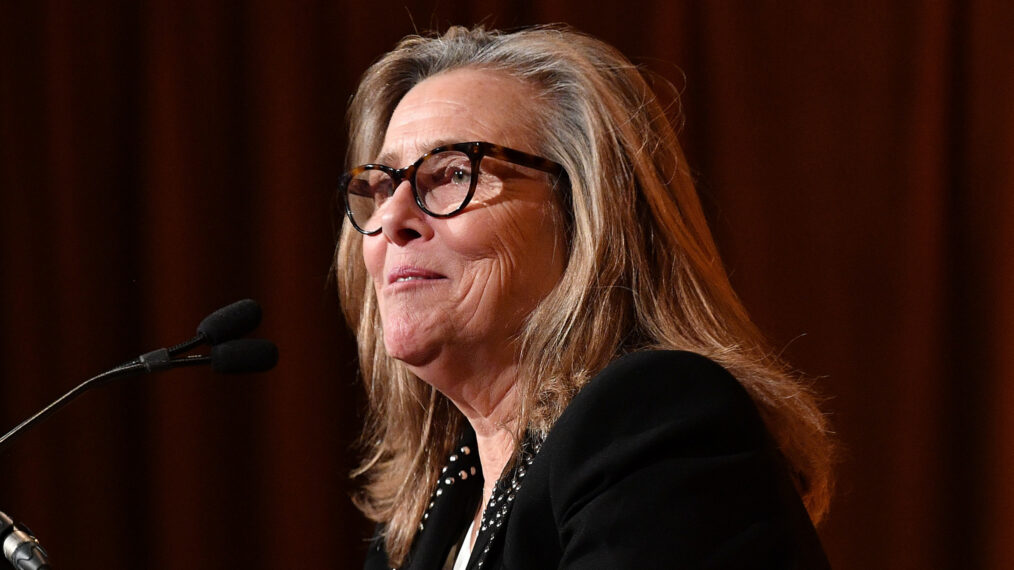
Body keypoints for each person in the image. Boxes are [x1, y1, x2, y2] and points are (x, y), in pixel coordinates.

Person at [334, 25, 834, 569]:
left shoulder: (653, 421)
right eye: (382, 187)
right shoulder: (425, 522)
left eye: (454, 173)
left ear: (586, 214)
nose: (392, 218)